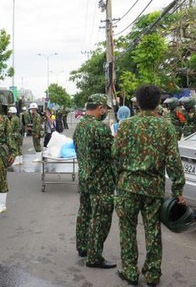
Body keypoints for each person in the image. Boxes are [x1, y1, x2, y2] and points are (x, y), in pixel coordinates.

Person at [114, 85, 186, 286]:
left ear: (136, 102)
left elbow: (115, 154)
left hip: (128, 187)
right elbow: (173, 160)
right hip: (153, 188)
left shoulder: (126, 125)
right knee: (153, 231)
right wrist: (178, 189)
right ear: (158, 102)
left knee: (127, 230)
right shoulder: (166, 127)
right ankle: (153, 275)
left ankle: (130, 272)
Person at [73, 93, 116, 269]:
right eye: (105, 108)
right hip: (101, 181)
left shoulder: (80, 126)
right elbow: (113, 154)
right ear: (99, 108)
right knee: (101, 218)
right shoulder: (100, 128)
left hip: (85, 177)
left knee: (84, 213)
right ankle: (94, 257)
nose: (105, 111)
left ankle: (83, 247)